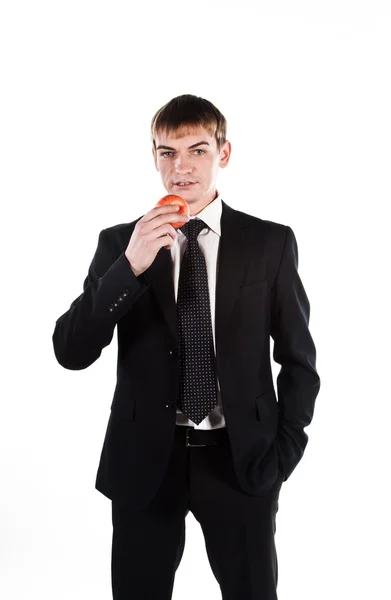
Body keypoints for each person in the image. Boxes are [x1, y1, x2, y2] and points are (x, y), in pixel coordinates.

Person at [52, 94, 320, 600]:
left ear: (224, 153)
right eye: (167, 153)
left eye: (197, 150)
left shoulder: (270, 243)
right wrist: (127, 268)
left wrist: (283, 453)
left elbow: (299, 361)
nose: (181, 167)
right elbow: (71, 350)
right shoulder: (120, 244)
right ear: (153, 158)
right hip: (145, 463)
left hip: (242, 460)